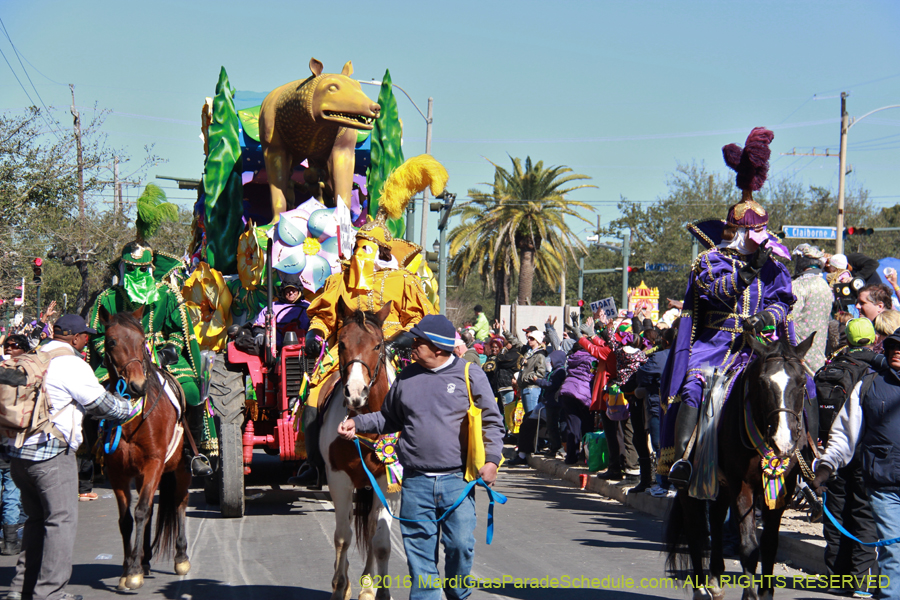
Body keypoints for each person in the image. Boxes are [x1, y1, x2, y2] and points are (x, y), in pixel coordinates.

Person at [659, 127, 797, 488]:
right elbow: (714, 294)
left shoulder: (774, 264)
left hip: (759, 346)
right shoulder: (710, 261)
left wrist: (768, 316)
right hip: (715, 344)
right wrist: (747, 273)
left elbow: (783, 300)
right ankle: (684, 461)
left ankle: (805, 462)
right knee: (693, 386)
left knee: (802, 385)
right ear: (736, 233)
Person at [297, 156, 443, 488]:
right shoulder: (338, 281)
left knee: (424, 395)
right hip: (345, 350)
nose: (361, 254)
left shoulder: (401, 281)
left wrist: (408, 337)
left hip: (394, 348)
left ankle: (428, 457)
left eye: (368, 248)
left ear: (382, 252)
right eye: (358, 247)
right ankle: (315, 463)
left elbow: (421, 317)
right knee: (312, 397)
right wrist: (316, 334)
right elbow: (324, 315)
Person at [336, 314, 503, 600]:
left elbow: (492, 419)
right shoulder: (406, 378)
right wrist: (357, 424)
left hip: (457, 482)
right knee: (420, 559)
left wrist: (492, 460)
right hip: (415, 483)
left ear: (438, 347)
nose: (412, 345)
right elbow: (388, 418)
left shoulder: (469, 374)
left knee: (461, 546)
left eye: (419, 341)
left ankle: (457, 593)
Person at [5, 314, 133, 600]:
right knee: (60, 522)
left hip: (18, 455)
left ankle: (20, 588)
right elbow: (100, 404)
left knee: (36, 521)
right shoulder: (72, 364)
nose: (87, 339)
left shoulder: (34, 354)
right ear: (75, 338)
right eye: (85, 335)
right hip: (51, 456)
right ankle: (50, 593)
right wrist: (130, 409)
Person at [87, 241, 212, 477]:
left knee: (194, 393)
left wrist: (170, 349)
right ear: (122, 268)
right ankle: (92, 454)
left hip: (161, 355)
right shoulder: (107, 297)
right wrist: (111, 355)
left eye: (143, 269)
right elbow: (96, 335)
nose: (137, 274)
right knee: (93, 395)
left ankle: (192, 452)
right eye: (131, 268)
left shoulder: (167, 294)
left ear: (151, 268)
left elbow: (177, 330)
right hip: (121, 360)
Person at [813, 327, 900, 600]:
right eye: (893, 345)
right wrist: (825, 467)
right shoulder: (870, 385)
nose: (896, 350)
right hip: (885, 485)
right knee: (893, 550)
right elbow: (844, 434)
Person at [791, 244, 833, 371]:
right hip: (819, 347)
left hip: (800, 348)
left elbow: (790, 318)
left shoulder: (799, 285)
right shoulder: (825, 285)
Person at [518, 330, 547, 414]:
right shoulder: (529, 353)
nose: (529, 340)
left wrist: (527, 377)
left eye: (532, 338)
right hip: (525, 387)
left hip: (532, 388)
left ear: (537, 341)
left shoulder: (540, 354)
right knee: (528, 415)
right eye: (529, 338)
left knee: (532, 415)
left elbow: (540, 373)